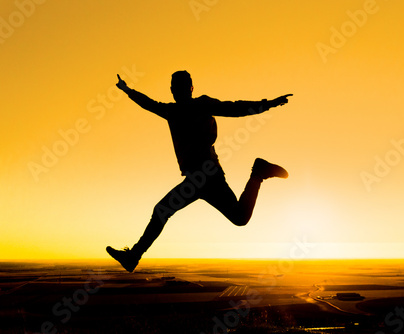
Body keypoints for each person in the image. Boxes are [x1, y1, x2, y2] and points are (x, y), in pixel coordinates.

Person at [107, 71, 292, 272]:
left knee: (165, 211)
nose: (177, 91)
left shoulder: (201, 105)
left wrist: (268, 104)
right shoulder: (171, 111)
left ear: (191, 89)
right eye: (175, 88)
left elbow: (235, 108)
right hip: (197, 179)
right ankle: (258, 173)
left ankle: (258, 173)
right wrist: (127, 90)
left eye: (181, 87)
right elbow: (148, 103)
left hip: (206, 176)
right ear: (171, 90)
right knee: (235, 218)